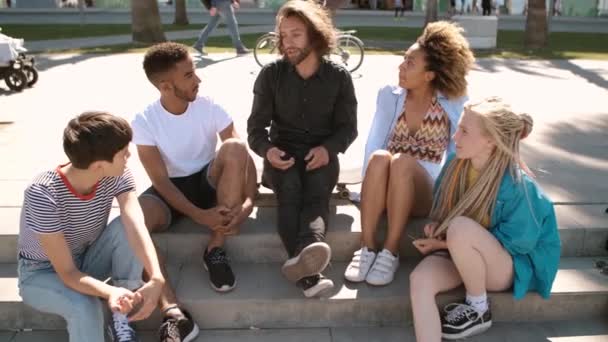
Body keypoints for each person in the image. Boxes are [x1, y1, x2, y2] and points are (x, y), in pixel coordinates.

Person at [409, 97, 561, 341]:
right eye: (458, 128)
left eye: (464, 131)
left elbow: (518, 244)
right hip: (462, 255)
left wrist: (445, 242)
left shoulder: (518, 185)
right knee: (420, 280)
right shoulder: (455, 163)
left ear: (491, 141)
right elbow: (446, 212)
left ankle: (478, 307)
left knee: (459, 228)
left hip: (503, 266)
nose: (454, 137)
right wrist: (439, 227)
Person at [132, 42, 256, 340]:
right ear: (165, 86)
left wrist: (250, 201)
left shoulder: (210, 105)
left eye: (195, 72)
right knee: (133, 225)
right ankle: (172, 310)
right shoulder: (144, 121)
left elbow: (243, 159)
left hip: (209, 180)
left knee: (235, 146)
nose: (198, 80)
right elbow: (161, 182)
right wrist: (200, 216)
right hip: (170, 190)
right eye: (188, 75)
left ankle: (215, 248)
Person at [344, 21, 474, 286]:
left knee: (402, 161)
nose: (401, 67)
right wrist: (369, 190)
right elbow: (374, 144)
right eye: (403, 60)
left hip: (426, 190)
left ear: (429, 75)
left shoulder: (452, 102)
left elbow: (458, 154)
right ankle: (367, 247)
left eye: (410, 63)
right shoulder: (389, 96)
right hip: (386, 181)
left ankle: (390, 251)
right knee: (381, 156)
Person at [17, 112, 165, 342]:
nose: (129, 155)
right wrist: (109, 291)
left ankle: (121, 315)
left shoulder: (116, 173)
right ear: (98, 166)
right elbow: (67, 273)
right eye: (123, 153)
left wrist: (156, 277)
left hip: (85, 259)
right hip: (41, 273)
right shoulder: (43, 194)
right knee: (84, 305)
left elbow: (135, 223)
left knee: (125, 227)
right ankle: (116, 300)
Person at [247, 0, 357, 298]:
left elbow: (348, 129)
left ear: (315, 36)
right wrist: (268, 150)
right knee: (292, 188)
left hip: (321, 153)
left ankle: (306, 273)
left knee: (317, 191)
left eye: (296, 34)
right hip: (281, 155)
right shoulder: (271, 75)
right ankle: (310, 268)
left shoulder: (339, 77)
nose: (287, 42)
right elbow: (255, 130)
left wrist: (328, 149)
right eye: (283, 35)